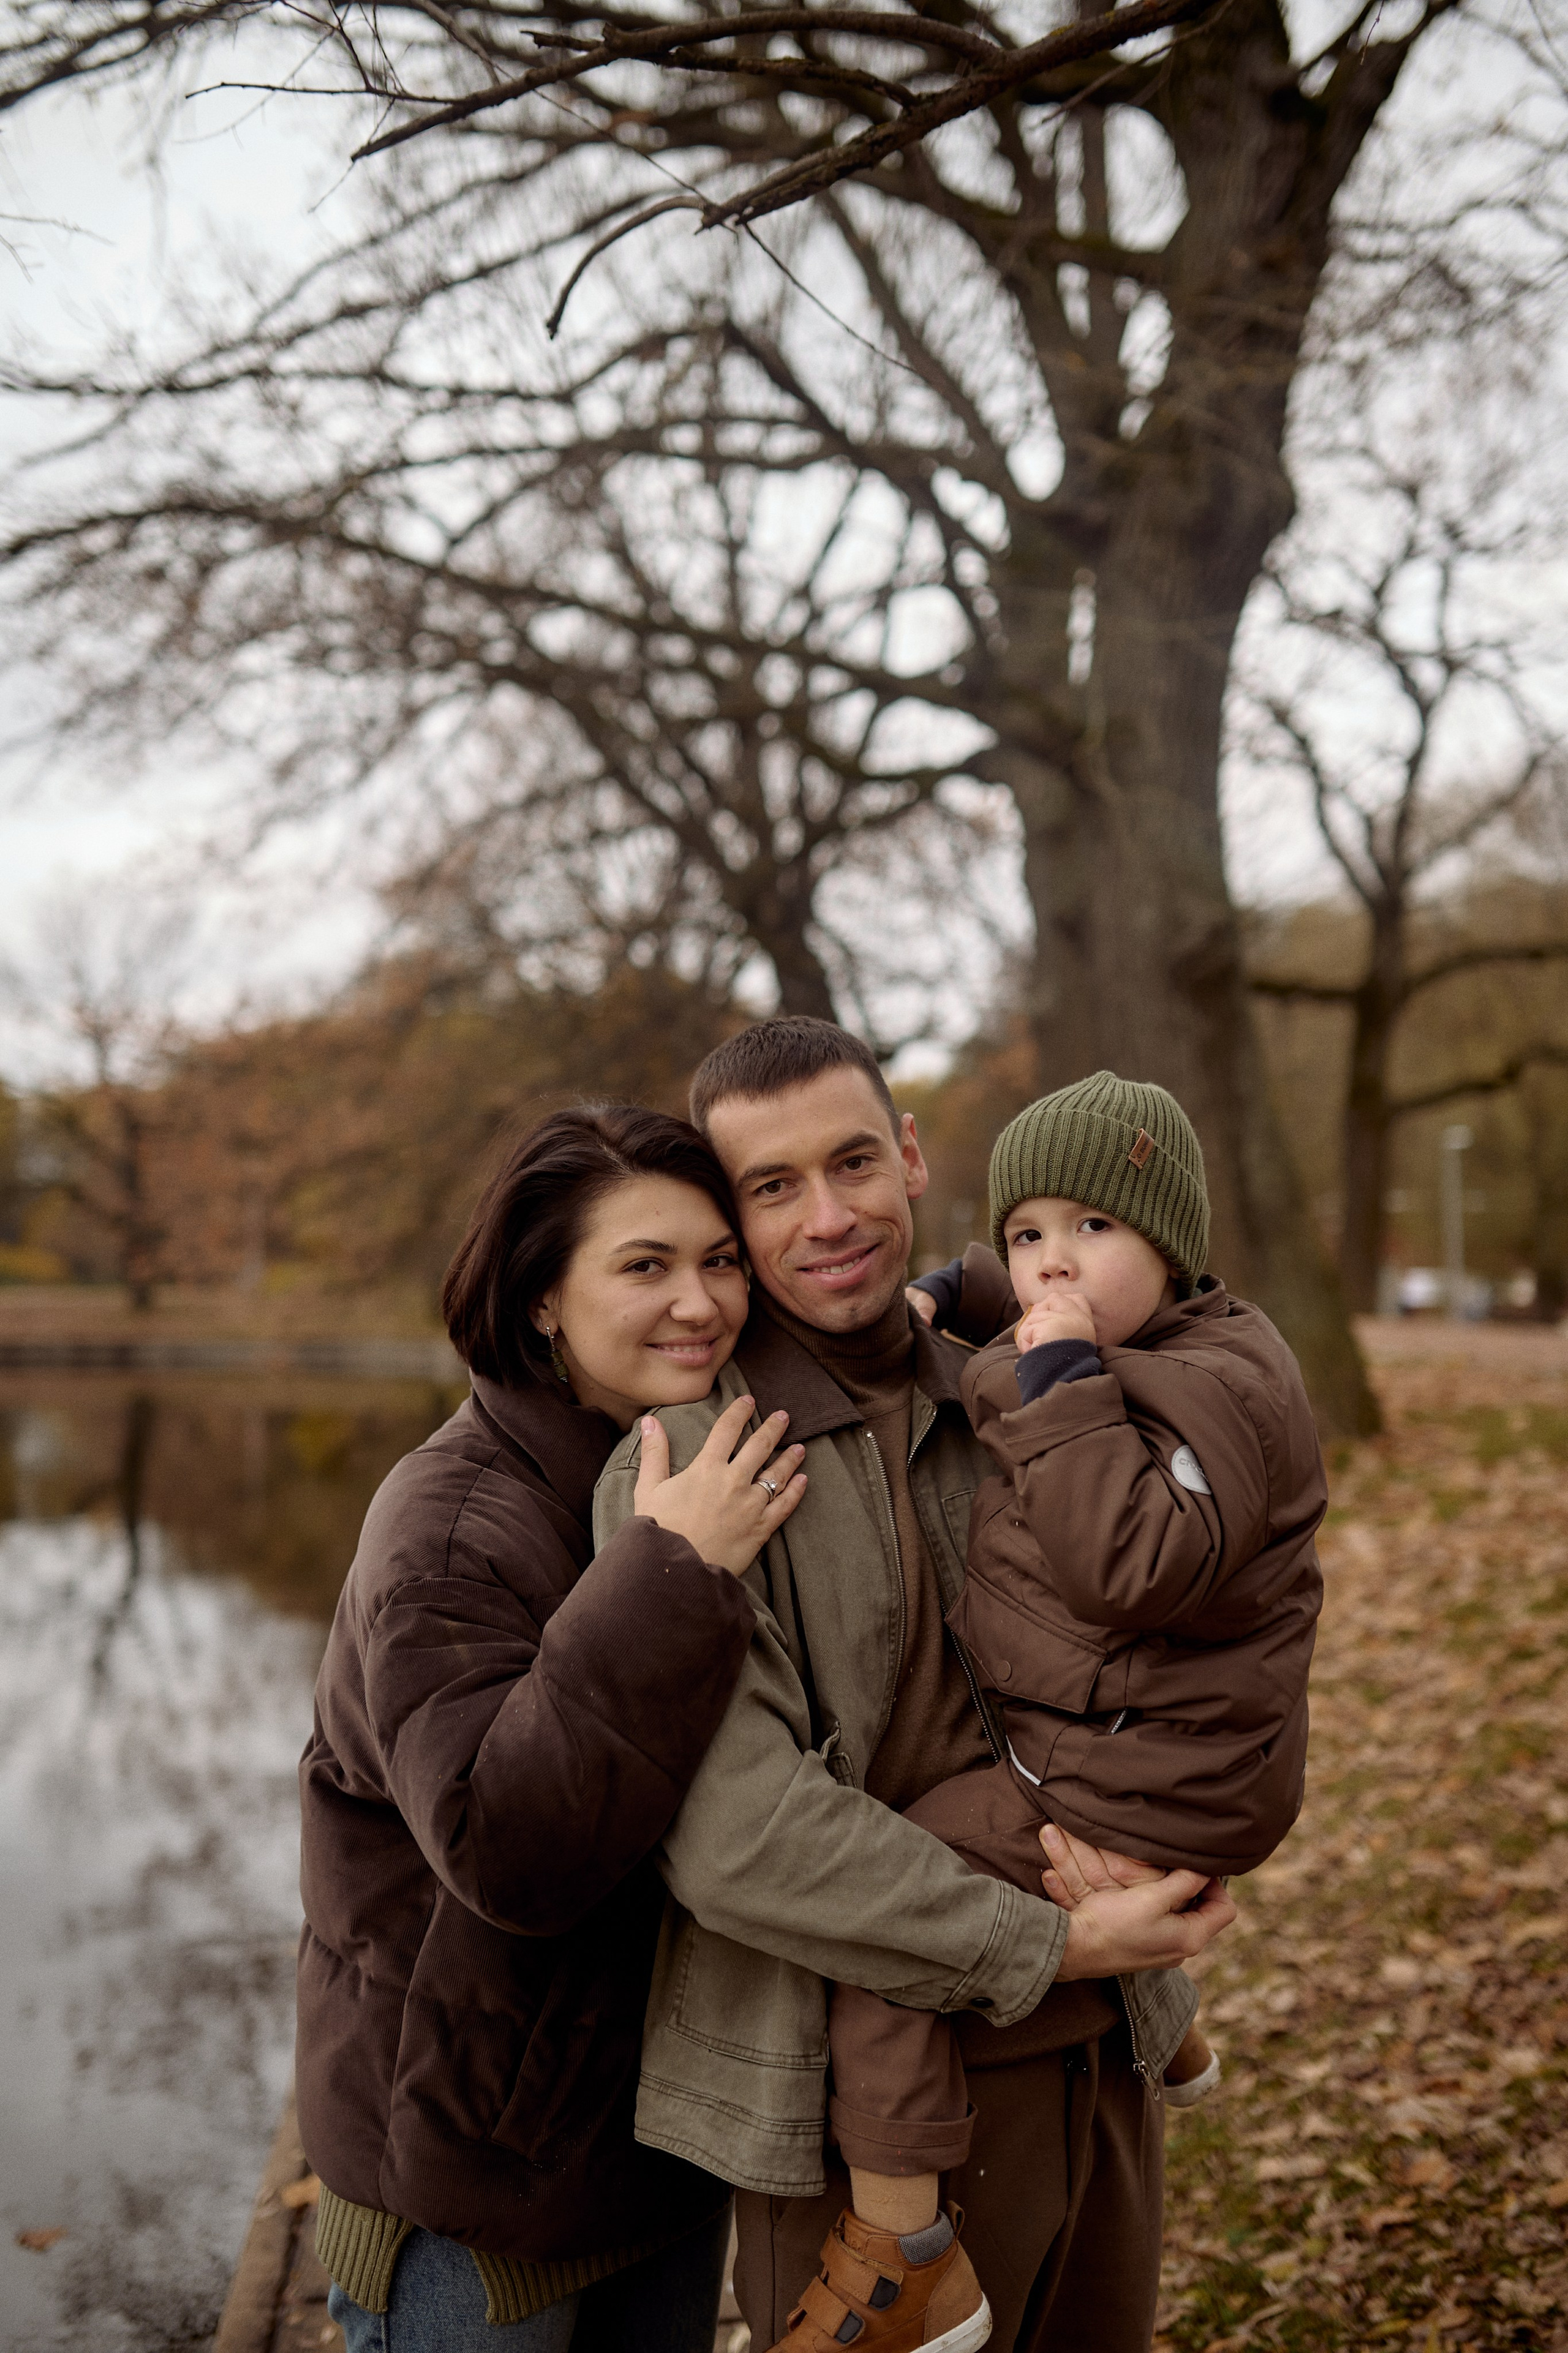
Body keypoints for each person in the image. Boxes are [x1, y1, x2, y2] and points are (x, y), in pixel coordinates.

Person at [593, 1020, 1238, 2353]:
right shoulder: (689, 1471)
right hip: (872, 2133)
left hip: (1102, 2053)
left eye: (849, 1164)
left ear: (908, 1158)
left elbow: (1186, 1603)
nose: (825, 1218)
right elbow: (737, 1841)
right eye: (771, 1188)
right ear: (733, 1216)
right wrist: (1049, 1942)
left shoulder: (1040, 1383)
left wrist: (1179, 1832)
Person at [820, 1071, 1327, 2349]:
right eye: (1025, 1232)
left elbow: (1128, 1567)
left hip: (1136, 1768)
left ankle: (900, 2240)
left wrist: (1056, 1389)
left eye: (1090, 1230)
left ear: (1169, 1242)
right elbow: (1040, 1287)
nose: (1051, 1268)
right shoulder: (1164, 1327)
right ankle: (1179, 2039)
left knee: (895, 1895)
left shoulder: (1188, 1392)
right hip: (1161, 1749)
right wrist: (953, 1290)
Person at [295, 1103, 810, 2353]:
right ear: (540, 1299)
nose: (699, 1302)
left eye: (719, 1259)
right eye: (643, 1266)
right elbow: (504, 1845)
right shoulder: (454, 1527)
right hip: (470, 2189)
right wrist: (673, 1570)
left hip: (647, 2146)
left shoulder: (666, 1460)